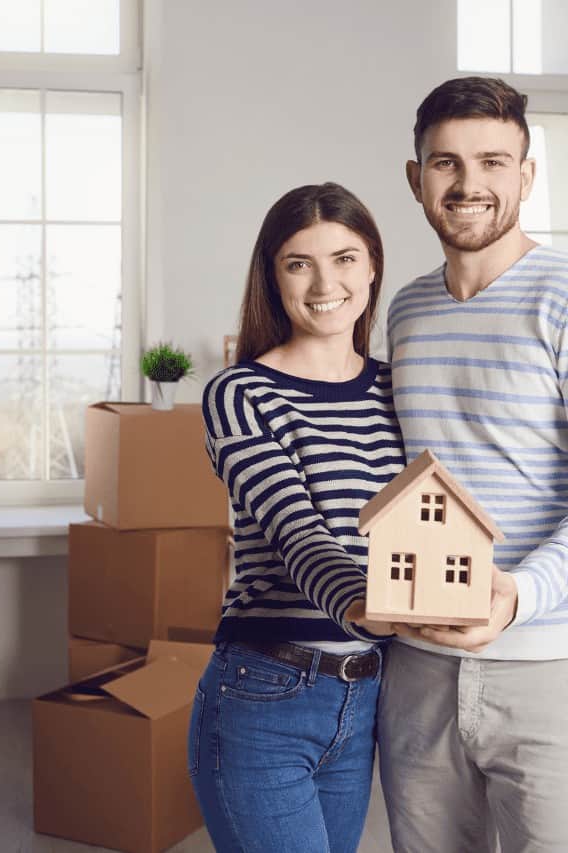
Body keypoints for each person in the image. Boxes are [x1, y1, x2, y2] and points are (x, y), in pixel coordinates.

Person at [379, 76, 568, 852]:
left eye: (493, 161)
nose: (469, 183)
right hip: (417, 669)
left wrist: (518, 595)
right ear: (416, 177)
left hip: (547, 664)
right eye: (446, 162)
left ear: (527, 175)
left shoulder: (562, 296)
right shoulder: (404, 309)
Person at [188, 182, 405, 852]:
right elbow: (297, 533)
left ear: (373, 265)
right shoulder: (240, 393)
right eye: (298, 263)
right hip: (265, 693)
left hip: (367, 695)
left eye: (344, 258)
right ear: (272, 275)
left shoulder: (398, 389)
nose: (324, 283)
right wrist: (366, 606)